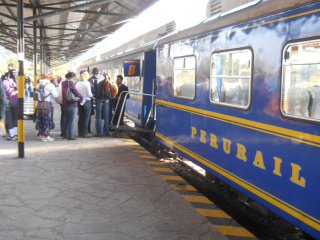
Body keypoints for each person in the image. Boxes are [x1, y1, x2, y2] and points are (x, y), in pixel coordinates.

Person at [35, 73, 59, 142]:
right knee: (47, 120)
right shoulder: (50, 85)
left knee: (40, 120)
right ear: (50, 78)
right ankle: (46, 136)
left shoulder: (38, 84)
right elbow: (56, 95)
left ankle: (41, 135)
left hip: (39, 105)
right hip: (47, 105)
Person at [61, 72, 84, 140]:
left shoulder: (63, 83)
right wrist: (81, 97)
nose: (74, 79)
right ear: (71, 77)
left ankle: (65, 134)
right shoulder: (70, 83)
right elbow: (75, 91)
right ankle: (70, 136)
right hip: (70, 104)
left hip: (65, 103)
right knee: (71, 120)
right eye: (74, 77)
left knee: (67, 120)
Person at [92, 68, 111, 137]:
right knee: (106, 115)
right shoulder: (105, 75)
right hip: (106, 98)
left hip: (98, 98)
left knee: (98, 116)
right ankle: (106, 131)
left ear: (94, 72)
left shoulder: (94, 78)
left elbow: (93, 90)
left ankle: (100, 132)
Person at [76, 71, 93, 138]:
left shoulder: (78, 83)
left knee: (80, 117)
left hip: (80, 101)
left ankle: (80, 132)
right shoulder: (87, 83)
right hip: (87, 102)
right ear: (87, 76)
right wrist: (93, 95)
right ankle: (85, 132)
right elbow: (89, 94)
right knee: (86, 117)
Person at [3, 70, 18, 140]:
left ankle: (12, 136)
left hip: (8, 102)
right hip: (17, 101)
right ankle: (16, 134)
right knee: (15, 118)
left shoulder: (5, 82)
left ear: (9, 74)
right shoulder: (18, 82)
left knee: (9, 119)